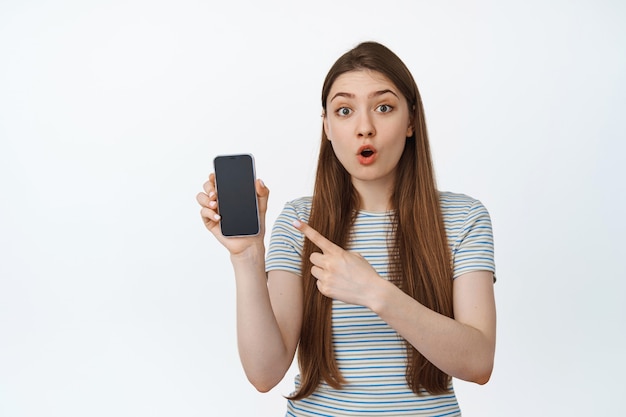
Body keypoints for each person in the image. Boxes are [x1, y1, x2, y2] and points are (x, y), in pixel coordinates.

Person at [196, 41, 496, 416]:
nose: (364, 128)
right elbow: (264, 373)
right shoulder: (299, 223)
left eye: (383, 108)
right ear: (327, 127)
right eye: (344, 110)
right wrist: (247, 256)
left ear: (411, 121)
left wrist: (376, 293)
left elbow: (479, 362)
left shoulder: (463, 217)